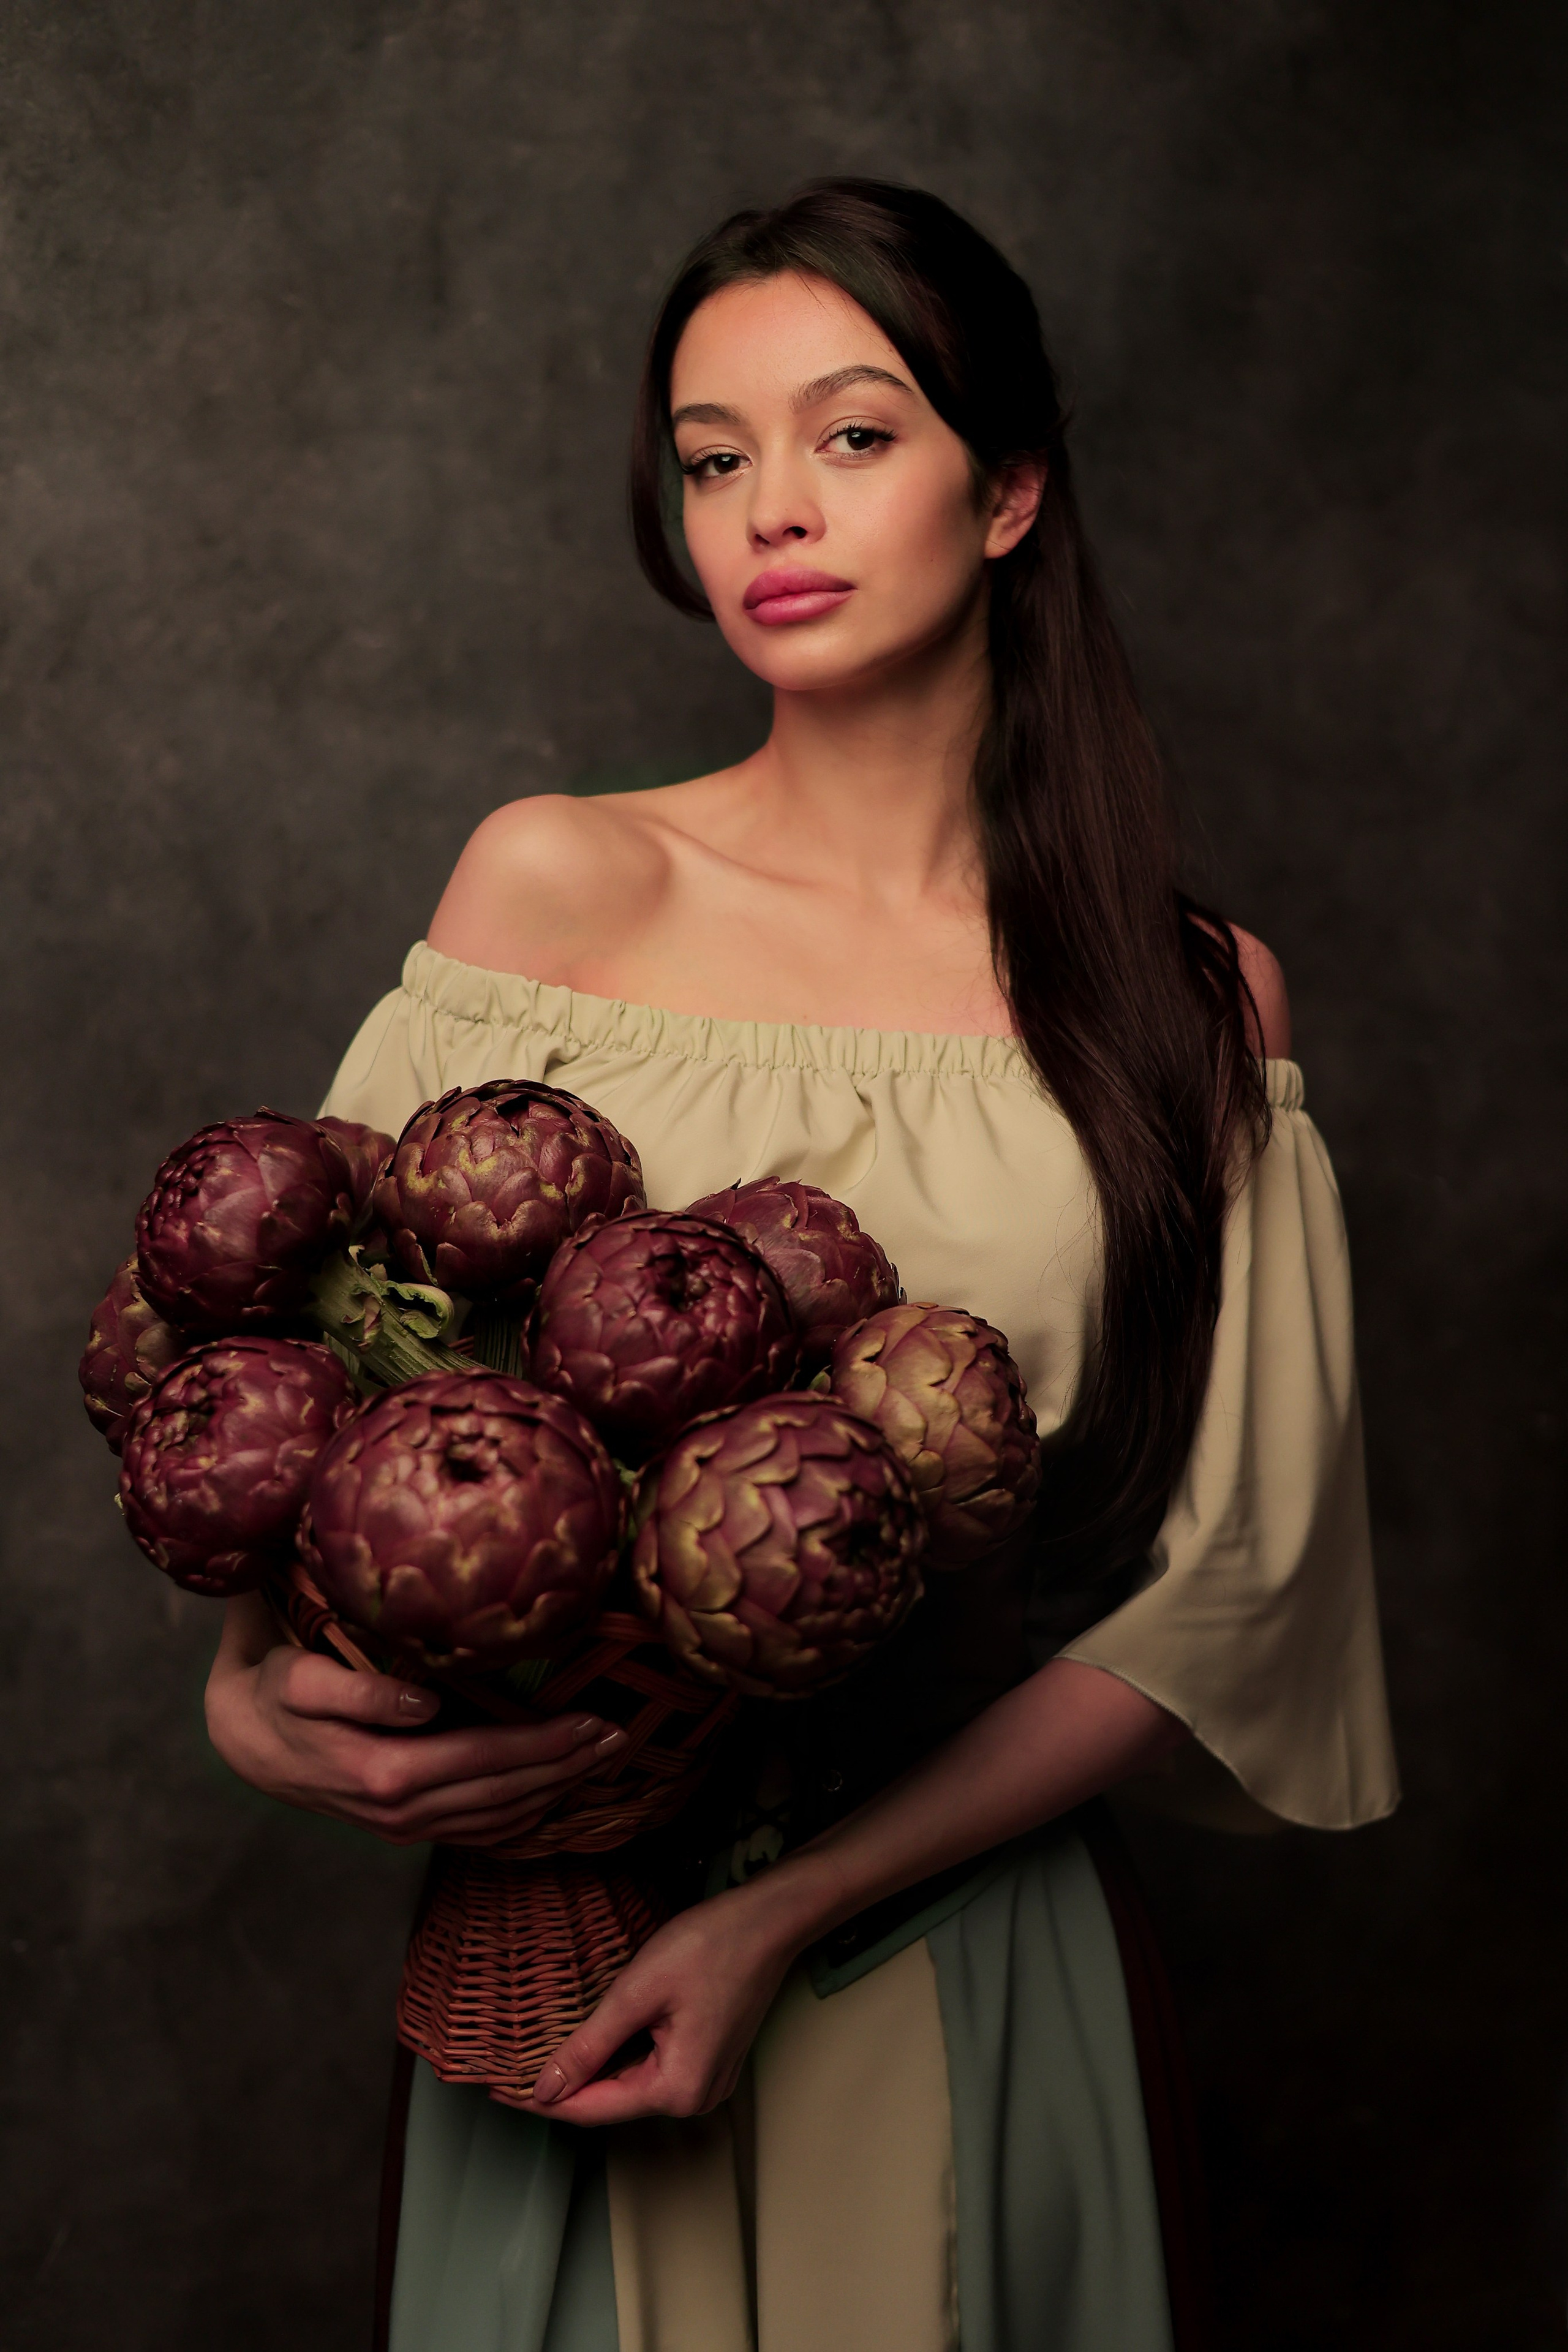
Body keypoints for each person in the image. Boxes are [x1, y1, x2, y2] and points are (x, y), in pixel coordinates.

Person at [205, 179, 1398, 2351]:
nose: (775, 508)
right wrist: (258, 1706)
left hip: (959, 1948)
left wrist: (795, 1918)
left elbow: (1226, 1588)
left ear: (1009, 486)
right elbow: (308, 1388)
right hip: (560, 1954)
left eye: (855, 435)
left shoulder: (1187, 998)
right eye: (714, 453)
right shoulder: (555, 880)